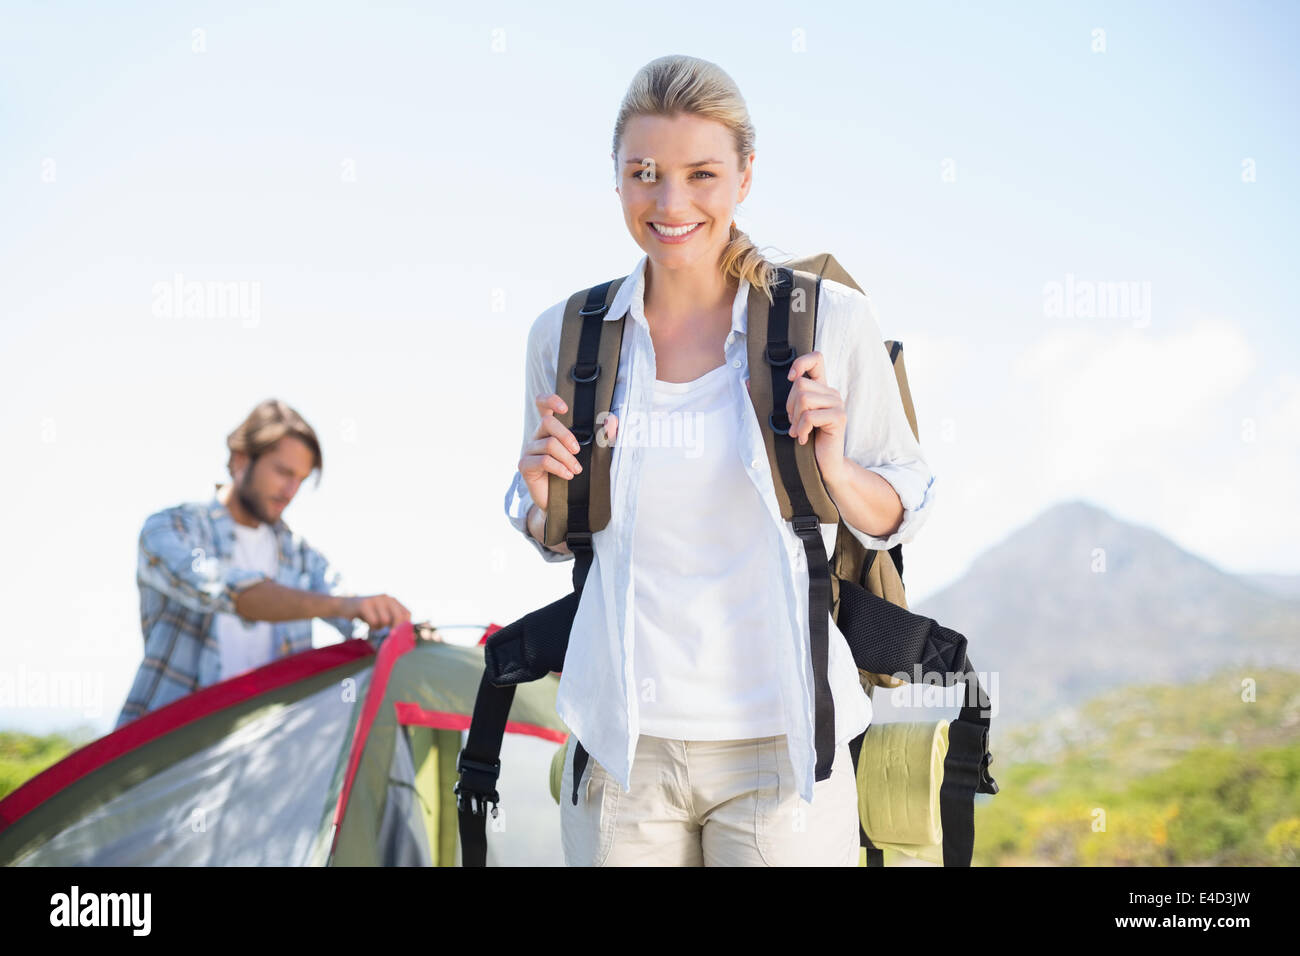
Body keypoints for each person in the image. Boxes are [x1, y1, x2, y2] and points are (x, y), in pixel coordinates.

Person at [503, 55, 937, 865]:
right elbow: (555, 531)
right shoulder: (566, 335)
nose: (671, 204)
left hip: (783, 752)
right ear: (617, 176)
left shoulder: (826, 321)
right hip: (620, 749)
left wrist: (838, 472)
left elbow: (903, 499)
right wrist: (540, 505)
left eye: (702, 173)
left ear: (745, 174)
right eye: (645, 174)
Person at [116, 398, 411, 728]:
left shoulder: (299, 555)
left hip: (265, 761)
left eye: (301, 479)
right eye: (283, 472)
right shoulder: (171, 528)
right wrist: (344, 606)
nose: (290, 490)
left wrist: (396, 626)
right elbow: (228, 591)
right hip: (170, 757)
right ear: (241, 460)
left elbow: (356, 611)